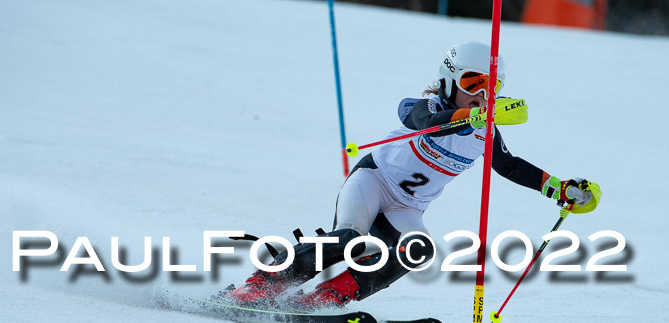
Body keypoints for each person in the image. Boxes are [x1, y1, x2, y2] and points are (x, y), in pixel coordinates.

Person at [226, 41, 594, 308]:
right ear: (449, 81)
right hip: (373, 181)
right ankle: (264, 283)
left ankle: (329, 295)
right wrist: (466, 117)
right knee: (348, 239)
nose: (482, 94)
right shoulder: (424, 107)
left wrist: (558, 189)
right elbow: (424, 123)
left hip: (407, 206)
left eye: (491, 86)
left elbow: (509, 165)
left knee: (417, 250)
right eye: (472, 83)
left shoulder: (485, 131)